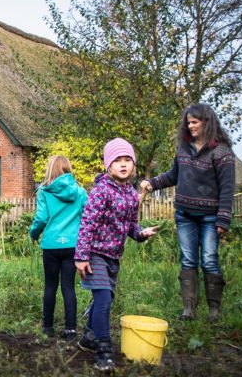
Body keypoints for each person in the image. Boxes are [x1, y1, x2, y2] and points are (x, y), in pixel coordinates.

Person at [140, 103, 235, 322]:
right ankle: (189, 309)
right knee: (188, 259)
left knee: (210, 259)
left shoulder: (221, 152)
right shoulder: (183, 148)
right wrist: (152, 183)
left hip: (210, 216)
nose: (190, 126)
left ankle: (213, 311)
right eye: (188, 122)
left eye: (195, 122)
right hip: (185, 215)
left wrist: (223, 217)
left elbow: (227, 187)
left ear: (207, 122)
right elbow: (174, 175)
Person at [74, 138, 159, 372]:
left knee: (105, 299)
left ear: (133, 164)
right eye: (117, 160)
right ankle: (104, 352)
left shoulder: (132, 195)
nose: (123, 164)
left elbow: (131, 225)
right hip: (94, 253)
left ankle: (88, 339)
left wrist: (141, 233)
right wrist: (81, 255)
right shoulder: (101, 190)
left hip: (113, 256)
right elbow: (87, 223)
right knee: (103, 300)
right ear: (108, 165)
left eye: (127, 160)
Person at [29, 155, 87, 339]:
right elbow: (88, 218)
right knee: (68, 287)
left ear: (50, 169)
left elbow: (41, 219)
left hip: (51, 245)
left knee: (50, 286)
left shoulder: (44, 192)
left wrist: (33, 233)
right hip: (72, 245)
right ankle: (70, 329)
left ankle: (47, 327)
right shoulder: (80, 192)